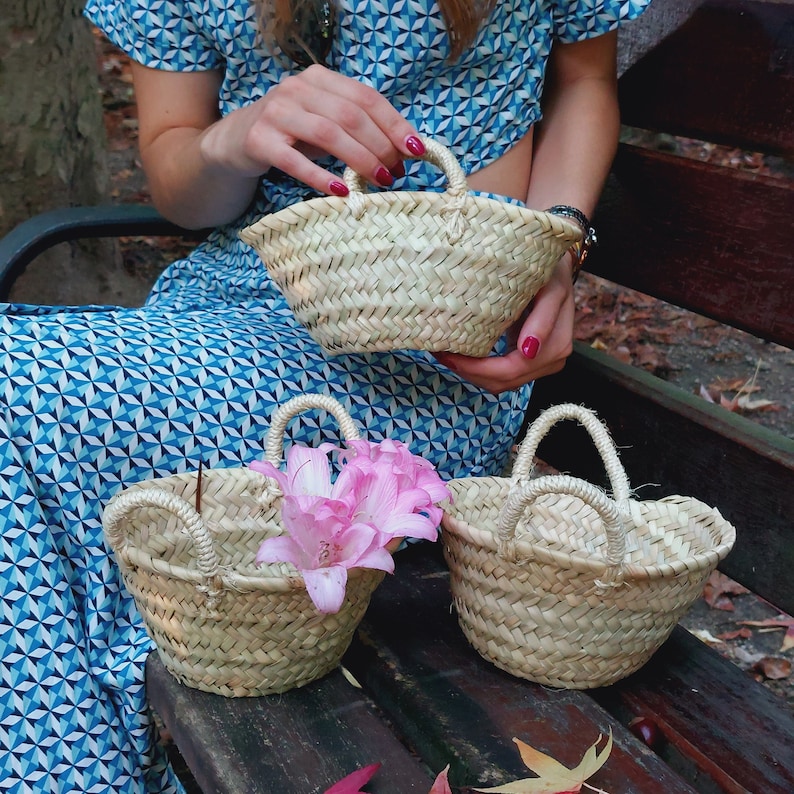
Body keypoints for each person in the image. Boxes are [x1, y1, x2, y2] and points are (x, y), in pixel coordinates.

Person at [0, 0, 651, 790]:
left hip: (433, 341)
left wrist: (560, 241)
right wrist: (236, 135)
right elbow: (180, 180)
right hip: (229, 304)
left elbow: (585, 80)